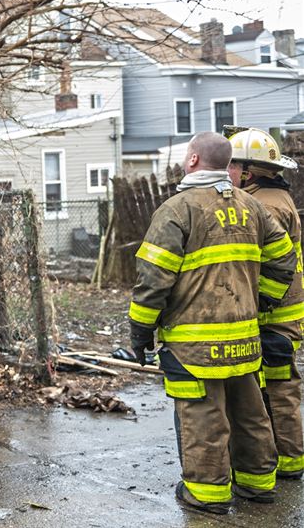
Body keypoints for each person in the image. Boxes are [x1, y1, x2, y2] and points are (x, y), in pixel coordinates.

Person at [128, 131, 297, 514]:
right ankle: (257, 486)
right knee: (249, 414)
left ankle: (207, 495)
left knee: (204, 420)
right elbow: (285, 258)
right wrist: (263, 297)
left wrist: (141, 329)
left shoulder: (177, 210)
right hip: (244, 341)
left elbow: (153, 278)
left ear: (191, 161)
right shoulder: (253, 208)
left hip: (194, 346)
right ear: (228, 165)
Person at [227, 127, 304, 480]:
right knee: (277, 388)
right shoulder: (274, 196)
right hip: (281, 312)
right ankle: (285, 459)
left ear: (248, 170)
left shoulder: (264, 204)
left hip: (274, 315)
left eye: (233, 165)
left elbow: (264, 262)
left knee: (278, 390)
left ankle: (288, 463)